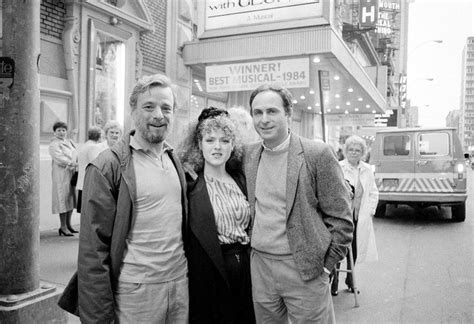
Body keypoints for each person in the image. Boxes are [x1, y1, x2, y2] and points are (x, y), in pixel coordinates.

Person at [58, 74, 189, 323]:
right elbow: (92, 252)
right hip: (134, 291)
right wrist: (98, 317)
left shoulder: (175, 160)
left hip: (180, 285)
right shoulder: (108, 166)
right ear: (132, 110)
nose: (158, 115)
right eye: (149, 106)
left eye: (166, 108)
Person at [244, 84, 353, 323]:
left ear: (288, 114)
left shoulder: (317, 154)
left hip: (305, 270)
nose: (264, 119)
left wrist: (326, 267)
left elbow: (342, 219)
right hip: (260, 268)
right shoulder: (247, 155)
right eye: (257, 112)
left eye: (272, 111)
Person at [179, 107, 255, 323]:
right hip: (209, 272)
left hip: (246, 272)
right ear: (199, 145)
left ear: (233, 145)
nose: (217, 147)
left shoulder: (241, 180)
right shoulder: (190, 185)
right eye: (210, 140)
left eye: (224, 140)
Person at [331, 135, 379, 296]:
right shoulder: (338, 167)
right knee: (338, 250)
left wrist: (370, 211)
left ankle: (351, 282)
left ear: (362, 153)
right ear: (345, 151)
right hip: (341, 218)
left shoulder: (367, 169)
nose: (354, 153)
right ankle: (334, 282)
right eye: (351, 149)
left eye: (357, 150)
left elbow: (373, 192)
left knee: (355, 250)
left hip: (359, 217)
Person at [48, 121, 78, 236]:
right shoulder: (54, 144)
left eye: (63, 130)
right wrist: (71, 162)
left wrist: (76, 162)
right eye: (59, 130)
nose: (62, 132)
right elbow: (59, 158)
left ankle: (69, 224)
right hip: (61, 174)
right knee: (62, 199)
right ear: (54, 132)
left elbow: (76, 152)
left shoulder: (69, 141)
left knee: (69, 198)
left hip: (71, 172)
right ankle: (63, 226)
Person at [75, 126, 104, 213]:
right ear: (98, 136)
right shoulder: (93, 147)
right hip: (90, 182)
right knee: (90, 211)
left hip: (83, 181)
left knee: (85, 211)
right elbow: (96, 163)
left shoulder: (84, 145)